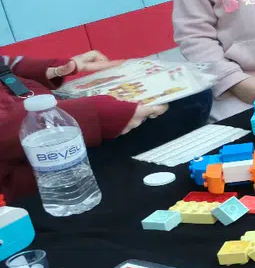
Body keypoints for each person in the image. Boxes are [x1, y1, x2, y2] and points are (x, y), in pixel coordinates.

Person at [0, 49, 211, 202]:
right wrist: (100, 115)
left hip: (45, 114)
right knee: (188, 103)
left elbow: (4, 64)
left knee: (188, 92)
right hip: (37, 171)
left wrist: (48, 69)